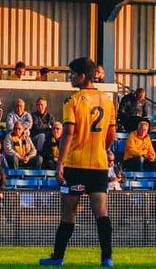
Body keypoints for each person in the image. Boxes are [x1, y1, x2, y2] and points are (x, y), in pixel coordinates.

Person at [39, 57, 119, 267]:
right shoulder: (107, 100)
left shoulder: (72, 101)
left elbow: (68, 133)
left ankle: (57, 257)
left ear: (83, 76)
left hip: (76, 164)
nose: (70, 78)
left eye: (73, 74)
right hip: (99, 165)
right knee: (101, 212)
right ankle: (107, 258)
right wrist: (101, 148)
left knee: (68, 212)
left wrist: (60, 163)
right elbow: (112, 134)